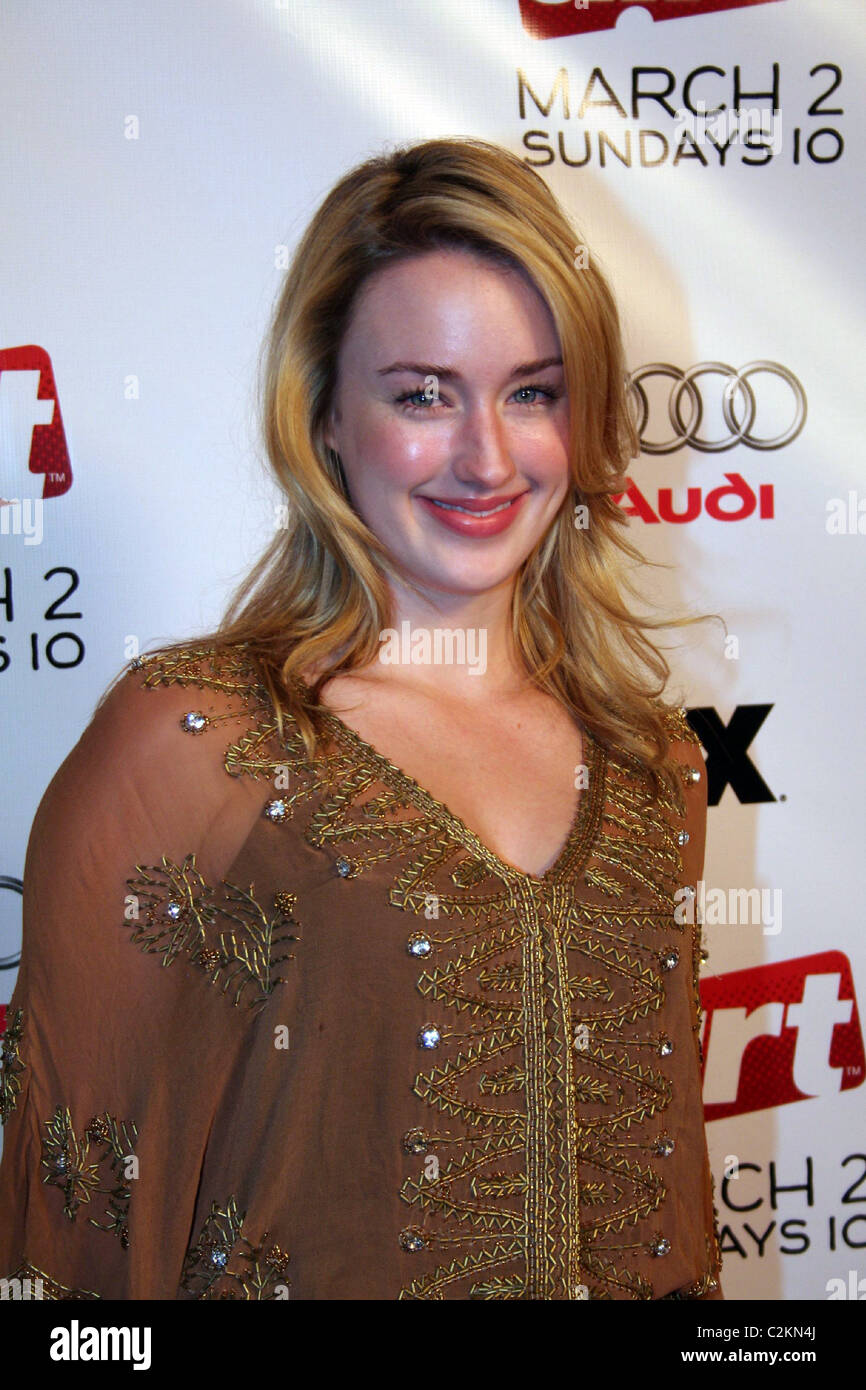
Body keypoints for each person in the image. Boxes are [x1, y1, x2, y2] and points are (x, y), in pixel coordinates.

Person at [0, 136, 723, 1300]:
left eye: (530, 392)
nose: (485, 457)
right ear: (324, 414)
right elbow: (69, 1237)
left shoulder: (650, 766)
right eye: (423, 395)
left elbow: (672, 1212)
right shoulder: (197, 741)